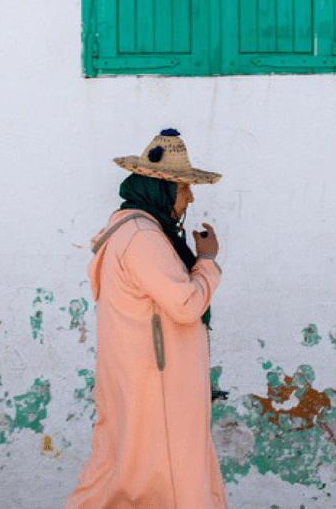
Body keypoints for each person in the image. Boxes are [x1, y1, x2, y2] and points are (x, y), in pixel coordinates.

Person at [64, 129, 228, 509]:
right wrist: (206, 262)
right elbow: (186, 305)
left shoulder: (133, 230)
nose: (189, 197)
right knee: (158, 481)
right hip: (156, 389)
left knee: (126, 473)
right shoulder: (142, 237)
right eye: (182, 188)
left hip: (146, 382)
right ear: (160, 190)